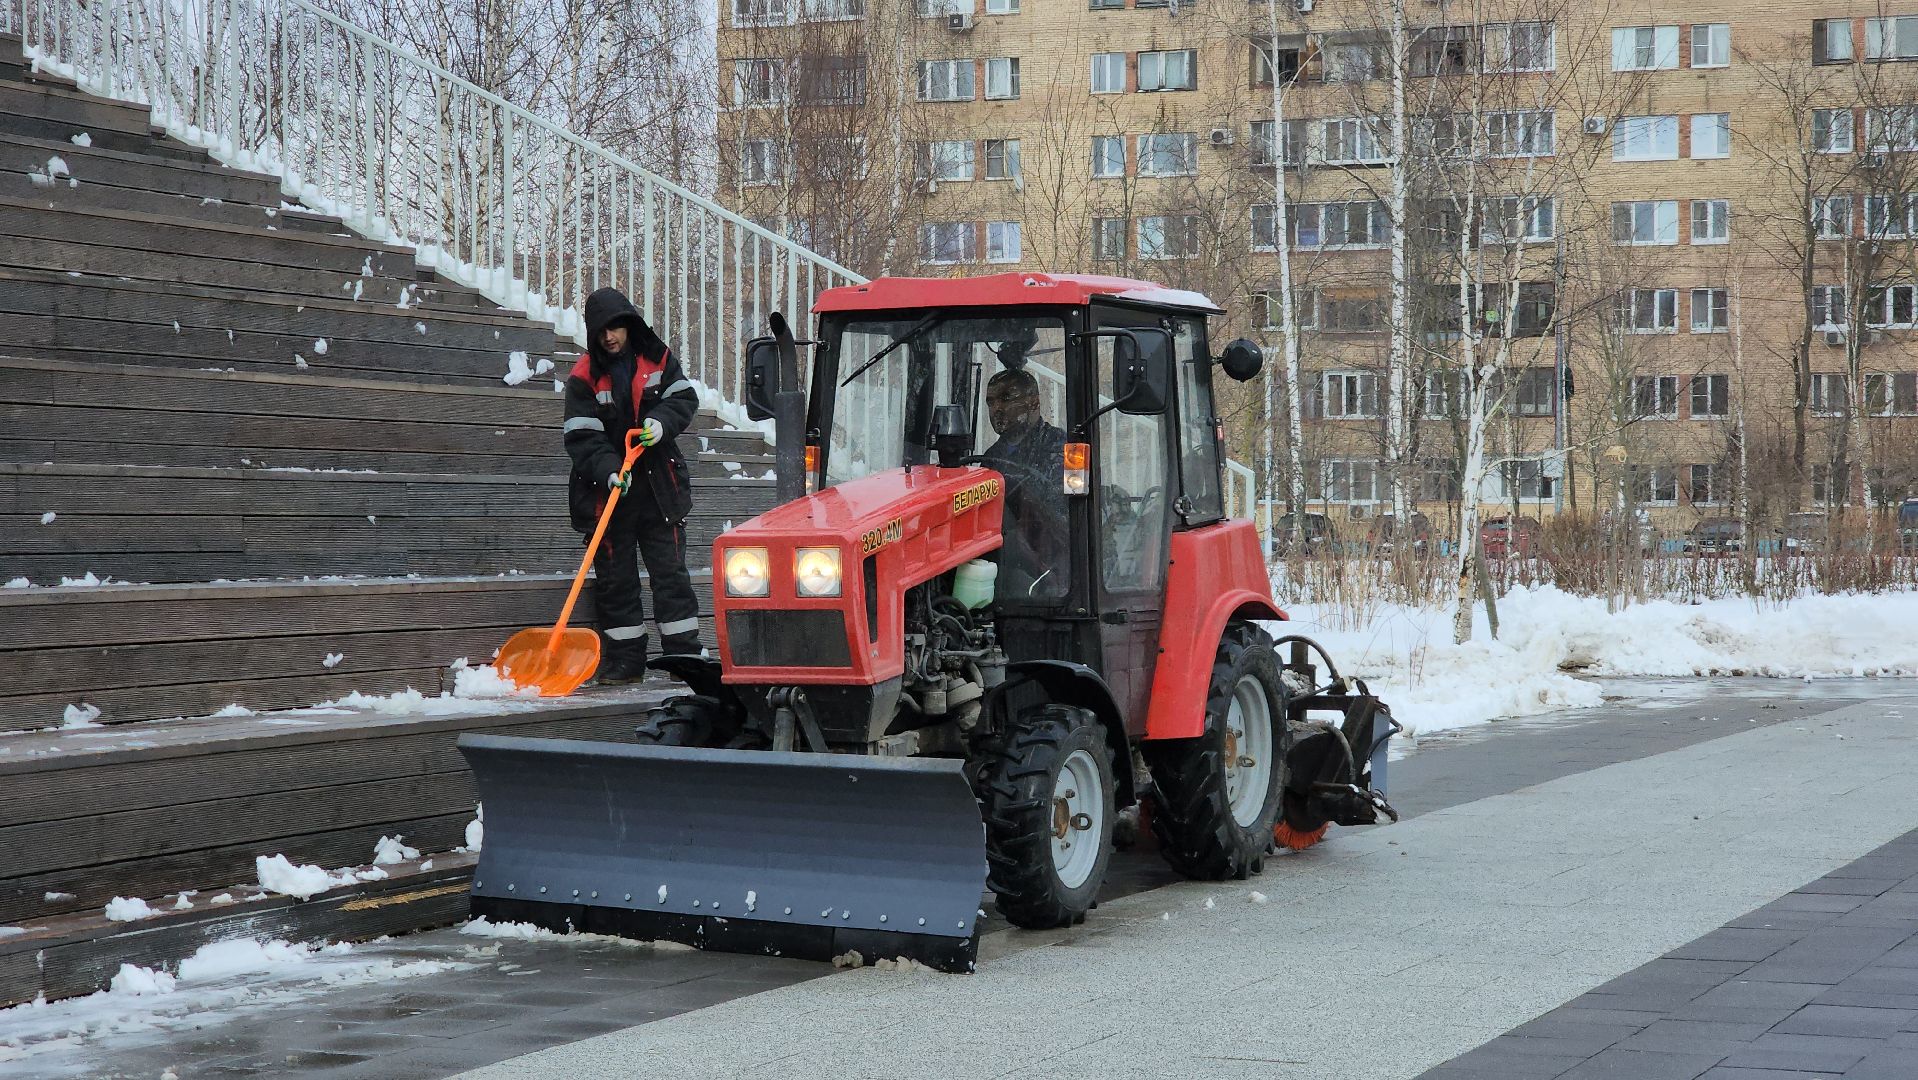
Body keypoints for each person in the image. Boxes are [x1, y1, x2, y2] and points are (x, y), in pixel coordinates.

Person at [562, 287, 702, 683]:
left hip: (660, 491)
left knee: (671, 575)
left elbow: (683, 398)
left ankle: (685, 657)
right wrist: (609, 470)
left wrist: (661, 422)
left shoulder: (657, 358)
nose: (610, 337)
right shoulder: (583, 379)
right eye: (602, 331)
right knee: (616, 581)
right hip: (608, 494)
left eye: (616, 328)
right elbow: (582, 436)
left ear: (629, 323)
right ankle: (625, 661)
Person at [979, 366, 1067, 599]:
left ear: (1034, 403)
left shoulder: (1060, 447)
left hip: (1051, 564)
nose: (996, 409)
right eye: (990, 402)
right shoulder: (990, 457)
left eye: (1007, 398)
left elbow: (1056, 517)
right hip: (1004, 556)